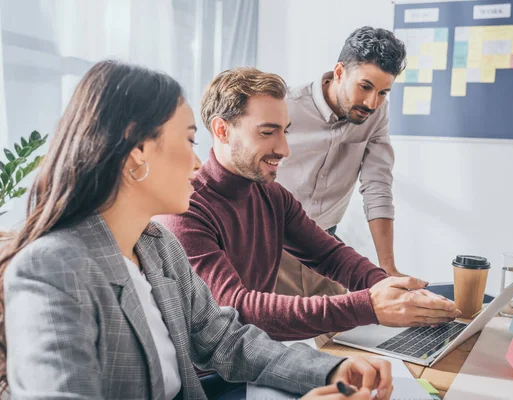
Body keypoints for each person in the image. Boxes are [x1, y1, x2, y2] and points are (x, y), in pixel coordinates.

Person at [0, 60, 393, 400]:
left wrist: (328, 371)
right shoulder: (50, 270)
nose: (195, 161)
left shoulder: (158, 248)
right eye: (189, 140)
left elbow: (227, 340)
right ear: (137, 152)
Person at [156, 67, 460, 344]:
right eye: (267, 132)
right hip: (208, 379)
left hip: (254, 361)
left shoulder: (273, 196)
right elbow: (236, 308)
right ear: (222, 130)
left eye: (285, 131)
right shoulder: (186, 209)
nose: (284, 149)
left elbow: (331, 256)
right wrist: (369, 306)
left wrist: (392, 289)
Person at [275, 26, 407, 301]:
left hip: (324, 248)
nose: (372, 102)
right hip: (271, 247)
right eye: (365, 87)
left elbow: (377, 185)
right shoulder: (285, 105)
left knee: (342, 339)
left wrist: (388, 267)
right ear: (339, 73)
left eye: (383, 92)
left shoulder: (376, 113)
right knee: (263, 336)